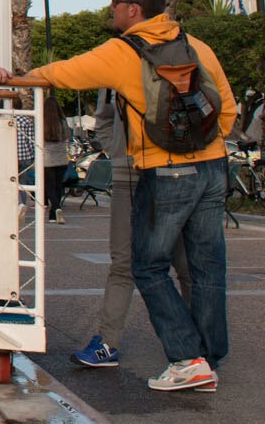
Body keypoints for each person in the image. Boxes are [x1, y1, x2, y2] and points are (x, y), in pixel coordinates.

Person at [33, 0, 237, 393]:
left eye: (115, 1)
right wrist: (205, 146)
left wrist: (12, 76)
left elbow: (61, 74)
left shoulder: (123, 51)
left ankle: (186, 357)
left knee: (147, 265)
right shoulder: (197, 46)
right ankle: (208, 356)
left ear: (134, 9)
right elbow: (227, 108)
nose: (111, 8)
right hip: (213, 165)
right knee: (206, 266)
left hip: (164, 168)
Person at [67, 86, 191, 370]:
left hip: (175, 172)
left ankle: (197, 347)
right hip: (129, 176)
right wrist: (121, 153)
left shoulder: (179, 58)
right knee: (123, 262)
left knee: (185, 264)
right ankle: (108, 342)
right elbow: (104, 119)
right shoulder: (116, 66)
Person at [41, 95, 70, 223]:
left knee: (49, 186)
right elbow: (67, 136)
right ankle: (55, 212)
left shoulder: (42, 122)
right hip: (62, 157)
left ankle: (55, 209)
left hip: (47, 158)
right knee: (58, 186)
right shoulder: (63, 122)